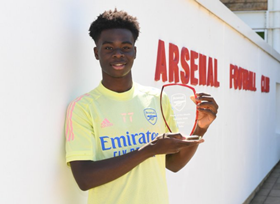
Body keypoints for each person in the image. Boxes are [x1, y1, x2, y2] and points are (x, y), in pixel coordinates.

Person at [65, 9, 218, 204]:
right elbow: (85, 178)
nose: (118, 54)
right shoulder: (82, 107)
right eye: (109, 48)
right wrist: (148, 150)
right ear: (97, 53)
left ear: (135, 52)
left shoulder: (157, 99)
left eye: (126, 47)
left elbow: (173, 164)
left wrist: (200, 128)